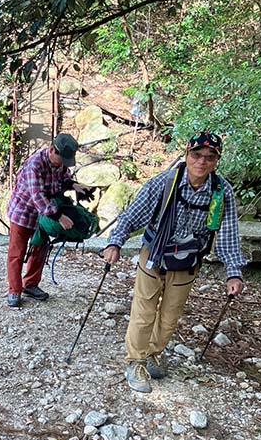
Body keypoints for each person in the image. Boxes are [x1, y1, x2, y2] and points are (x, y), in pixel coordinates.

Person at [102, 132, 246, 393]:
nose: (202, 161)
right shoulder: (164, 183)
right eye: (197, 155)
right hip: (154, 254)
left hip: (188, 260)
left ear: (217, 161)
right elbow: (132, 216)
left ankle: (153, 353)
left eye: (209, 157)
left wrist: (233, 273)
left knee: (169, 317)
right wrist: (115, 243)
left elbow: (227, 234)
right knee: (144, 312)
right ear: (186, 154)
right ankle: (135, 362)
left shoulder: (221, 192)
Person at [6, 133, 93, 306]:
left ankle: (30, 284)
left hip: (43, 215)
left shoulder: (59, 165)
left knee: (40, 249)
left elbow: (63, 179)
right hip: (24, 212)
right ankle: (14, 291)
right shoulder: (34, 165)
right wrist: (59, 216)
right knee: (17, 252)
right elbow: (37, 196)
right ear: (52, 149)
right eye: (61, 160)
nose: (62, 165)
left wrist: (74, 185)